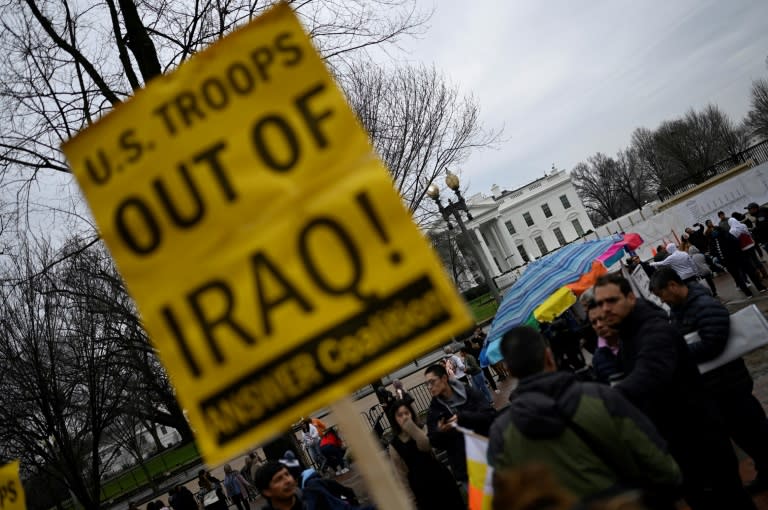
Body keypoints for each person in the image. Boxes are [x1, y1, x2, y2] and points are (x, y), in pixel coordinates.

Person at [593, 273, 756, 509]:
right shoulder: (630, 334)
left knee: (728, 500)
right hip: (679, 439)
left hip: (700, 438)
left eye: (611, 301)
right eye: (600, 303)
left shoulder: (652, 330)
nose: (605, 309)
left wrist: (596, 402)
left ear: (630, 297)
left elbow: (648, 375)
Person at [487, 326, 680, 505]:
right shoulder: (600, 397)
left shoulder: (501, 433)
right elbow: (656, 460)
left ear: (510, 371)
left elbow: (507, 497)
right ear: (549, 357)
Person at [650, 268, 768, 493]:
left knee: (754, 432)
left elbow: (713, 344)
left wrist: (677, 349)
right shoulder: (679, 309)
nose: (661, 299)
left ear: (672, 285)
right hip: (715, 386)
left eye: (661, 293)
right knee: (744, 434)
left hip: (730, 384)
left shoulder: (705, 306)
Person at [424, 363, 495, 488]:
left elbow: (490, 416)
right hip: (466, 470)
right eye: (427, 384)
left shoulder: (468, 392)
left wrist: (463, 417)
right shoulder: (434, 410)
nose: (430, 387)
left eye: (432, 382)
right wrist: (441, 432)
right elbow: (433, 441)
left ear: (444, 378)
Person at [387, 400, 464, 510]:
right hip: (422, 491)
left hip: (441, 481)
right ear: (394, 419)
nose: (404, 417)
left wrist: (412, 428)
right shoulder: (394, 446)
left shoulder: (422, 429)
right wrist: (411, 503)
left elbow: (426, 446)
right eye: (400, 415)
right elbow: (401, 476)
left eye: (407, 413)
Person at [254, 462, 373, 510]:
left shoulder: (315, 495)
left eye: (287, 474)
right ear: (266, 491)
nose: (287, 481)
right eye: (279, 479)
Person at [710, 225, 766, 295]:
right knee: (747, 274)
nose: (713, 233)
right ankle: (757, 289)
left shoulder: (719, 240)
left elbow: (719, 253)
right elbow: (737, 244)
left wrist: (724, 263)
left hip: (733, 261)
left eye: (714, 231)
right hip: (737, 259)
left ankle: (750, 292)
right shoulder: (726, 237)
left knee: (741, 276)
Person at [586, 302, 620, 384]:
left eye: (601, 318)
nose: (599, 325)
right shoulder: (598, 358)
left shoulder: (635, 338)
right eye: (594, 322)